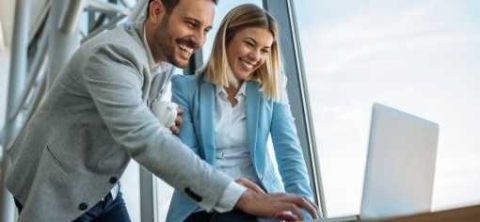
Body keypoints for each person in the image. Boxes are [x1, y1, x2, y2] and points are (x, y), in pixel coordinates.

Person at [4, 0, 318, 221]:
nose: (197, 40)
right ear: (156, 11)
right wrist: (241, 196)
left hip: (103, 185)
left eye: (206, 29)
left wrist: (152, 111)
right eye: (191, 24)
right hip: (57, 181)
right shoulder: (112, 54)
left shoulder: (167, 55)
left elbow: (136, 111)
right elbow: (148, 140)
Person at [167, 4, 315, 222]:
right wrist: (231, 191)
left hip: (261, 201)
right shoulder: (186, 88)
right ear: (227, 38)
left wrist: (305, 214)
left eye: (265, 50)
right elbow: (189, 162)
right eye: (249, 44)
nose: (256, 56)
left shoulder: (270, 90)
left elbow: (290, 155)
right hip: (204, 204)